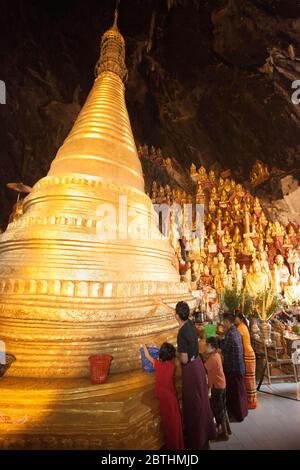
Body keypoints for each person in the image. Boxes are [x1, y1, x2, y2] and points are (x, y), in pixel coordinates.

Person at [175, 301, 217, 449]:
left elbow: (184, 359)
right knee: (202, 400)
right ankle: (207, 432)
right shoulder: (190, 324)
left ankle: (197, 439)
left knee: (193, 405)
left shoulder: (181, 333)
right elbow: (178, 313)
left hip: (191, 370)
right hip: (198, 365)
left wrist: (176, 354)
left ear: (176, 316)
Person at [143, 342, 184, 450]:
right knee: (175, 424)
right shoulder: (171, 365)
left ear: (161, 354)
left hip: (166, 401)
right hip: (172, 399)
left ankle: (173, 446)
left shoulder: (159, 365)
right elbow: (166, 355)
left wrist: (143, 345)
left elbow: (147, 356)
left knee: (169, 426)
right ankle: (179, 445)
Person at [219, 313, 248, 422]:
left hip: (232, 368)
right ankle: (242, 412)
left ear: (227, 322)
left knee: (234, 392)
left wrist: (219, 342)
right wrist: (222, 338)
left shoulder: (230, 334)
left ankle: (238, 414)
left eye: (224, 322)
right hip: (239, 366)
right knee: (240, 390)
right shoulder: (235, 331)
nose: (223, 324)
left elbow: (224, 348)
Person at [204, 336, 231, 440]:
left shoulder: (213, 358)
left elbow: (203, 368)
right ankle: (226, 429)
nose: (206, 348)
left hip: (217, 386)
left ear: (214, 348)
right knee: (222, 407)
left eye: (207, 346)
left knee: (217, 409)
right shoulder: (217, 355)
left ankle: (222, 433)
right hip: (221, 384)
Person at [235, 313, 258, 410]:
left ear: (239, 319)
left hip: (248, 354)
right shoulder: (242, 326)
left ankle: (251, 402)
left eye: (235, 318)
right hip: (248, 353)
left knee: (249, 379)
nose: (234, 320)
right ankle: (250, 400)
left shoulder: (240, 327)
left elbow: (237, 341)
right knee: (249, 378)